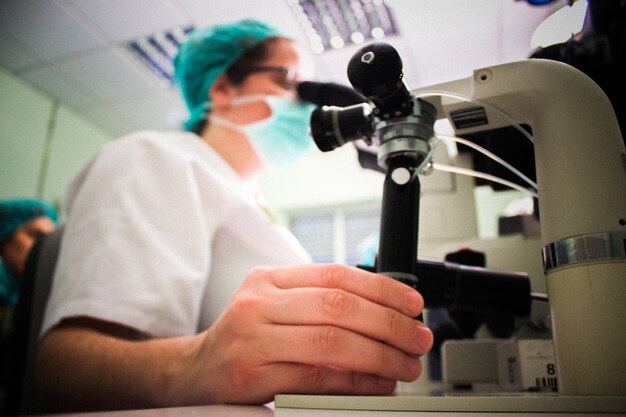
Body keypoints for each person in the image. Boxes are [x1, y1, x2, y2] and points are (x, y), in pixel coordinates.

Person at [35, 19, 433, 412]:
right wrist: (197, 364)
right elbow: (63, 372)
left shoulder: (255, 206)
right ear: (223, 88)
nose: (305, 100)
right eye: (288, 80)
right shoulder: (155, 158)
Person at [0, 198, 57, 410]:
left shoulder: (30, 296)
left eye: (49, 240)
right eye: (35, 236)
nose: (42, 248)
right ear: (5, 237)